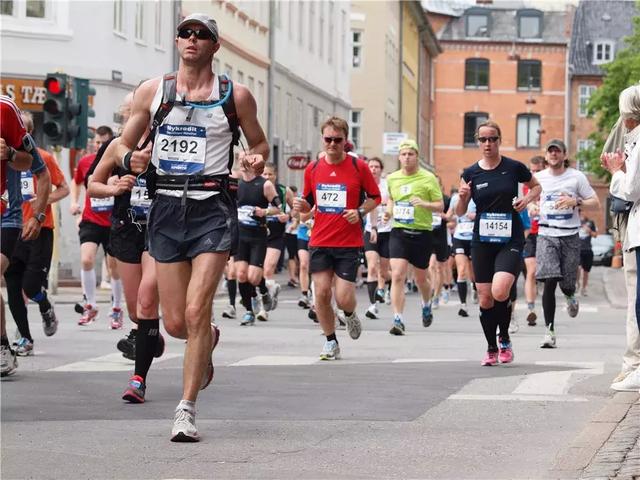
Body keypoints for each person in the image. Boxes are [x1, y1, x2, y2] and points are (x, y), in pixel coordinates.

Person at [104, 13, 268, 441]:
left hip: (212, 208)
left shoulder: (237, 95)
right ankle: (206, 338)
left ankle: (186, 409)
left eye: (202, 35)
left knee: (196, 310)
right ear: (177, 41)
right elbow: (123, 142)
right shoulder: (154, 91)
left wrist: (254, 160)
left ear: (216, 46)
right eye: (185, 33)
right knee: (176, 323)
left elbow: (260, 143)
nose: (192, 39)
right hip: (166, 210)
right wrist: (129, 159)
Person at [88, 92, 165, 402]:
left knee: (147, 301)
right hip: (126, 229)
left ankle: (138, 380)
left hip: (160, 231)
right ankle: (149, 334)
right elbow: (93, 184)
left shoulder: (165, 143)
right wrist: (114, 187)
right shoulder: (115, 146)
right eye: (134, 112)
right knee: (136, 311)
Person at [293, 116, 380, 359]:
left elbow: (375, 197)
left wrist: (360, 211)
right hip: (320, 239)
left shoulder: (358, 167)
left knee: (343, 298)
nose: (332, 144)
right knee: (320, 293)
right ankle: (331, 341)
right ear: (322, 139)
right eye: (328, 139)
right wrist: (302, 205)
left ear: (345, 141)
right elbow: (309, 200)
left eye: (337, 140)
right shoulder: (313, 168)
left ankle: (350, 316)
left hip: (348, 242)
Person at [456, 121, 540, 366]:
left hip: (509, 238)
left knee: (500, 290)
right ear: (478, 142)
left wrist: (526, 199)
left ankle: (504, 338)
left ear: (499, 140)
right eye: (483, 139)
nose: (487, 144)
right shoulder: (471, 173)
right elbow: (461, 211)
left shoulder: (514, 167)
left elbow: (536, 186)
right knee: (484, 298)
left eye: (492, 139)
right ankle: (492, 347)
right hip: (482, 240)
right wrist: (462, 198)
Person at [4, 112, 68, 356]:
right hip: (12, 229)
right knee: (12, 288)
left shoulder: (44, 158)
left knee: (30, 287)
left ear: (27, 134)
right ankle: (26, 339)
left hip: (41, 229)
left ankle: (44, 304)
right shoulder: (5, 160)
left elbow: (63, 188)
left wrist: (43, 202)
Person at [534, 139, 599, 348]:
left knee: (567, 282)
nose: (553, 154)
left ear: (564, 155)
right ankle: (549, 331)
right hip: (546, 233)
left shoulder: (576, 177)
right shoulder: (537, 178)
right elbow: (528, 201)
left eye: (557, 151)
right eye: (550, 151)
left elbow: (595, 202)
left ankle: (570, 295)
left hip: (570, 235)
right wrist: (530, 208)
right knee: (550, 280)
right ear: (545, 156)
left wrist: (576, 201)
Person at [383, 139, 443, 335]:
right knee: (398, 275)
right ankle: (398, 319)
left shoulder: (428, 178)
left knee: (421, 279)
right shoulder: (393, 178)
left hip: (422, 233)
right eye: (403, 154)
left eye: (411, 154)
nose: (407, 157)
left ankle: (426, 303)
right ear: (399, 157)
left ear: (417, 156)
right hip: (399, 231)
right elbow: (391, 198)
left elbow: (440, 205)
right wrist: (388, 212)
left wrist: (424, 204)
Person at [602, 84, 640, 392]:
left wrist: (617, 170)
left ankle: (635, 365)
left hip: (634, 221)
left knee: (637, 298)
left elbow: (630, 188)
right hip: (631, 221)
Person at [0, 95, 41, 377]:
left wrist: (10, 155)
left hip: (6, 214)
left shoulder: (6, 109)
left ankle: (3, 347)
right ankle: (3, 341)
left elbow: (32, 163)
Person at [71, 125, 124, 327]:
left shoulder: (117, 163)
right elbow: (77, 182)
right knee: (86, 259)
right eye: (97, 142)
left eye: (103, 143)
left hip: (112, 220)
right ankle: (90, 306)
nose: (99, 146)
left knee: (114, 268)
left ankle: (117, 308)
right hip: (91, 219)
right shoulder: (85, 162)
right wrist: (74, 202)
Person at [234, 158, 279, 325]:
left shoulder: (265, 185)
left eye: (243, 160)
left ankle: (264, 291)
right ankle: (248, 311)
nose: (240, 163)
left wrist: (264, 211)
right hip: (240, 235)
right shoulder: (236, 183)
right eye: (238, 160)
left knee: (253, 277)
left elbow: (278, 208)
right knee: (241, 274)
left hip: (257, 236)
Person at [259, 162, 293, 321]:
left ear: (275, 175)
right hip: (257, 233)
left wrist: (289, 216)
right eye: (264, 174)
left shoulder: (284, 191)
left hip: (276, 235)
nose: (267, 177)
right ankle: (270, 291)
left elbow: (296, 210)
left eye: (269, 174)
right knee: (257, 273)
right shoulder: (256, 189)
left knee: (268, 268)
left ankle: (262, 310)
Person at [363, 157, 391, 320]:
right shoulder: (364, 186)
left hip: (387, 231)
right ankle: (373, 305)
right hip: (370, 231)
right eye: (371, 166)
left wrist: (388, 210)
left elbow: (393, 202)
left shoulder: (387, 185)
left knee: (384, 270)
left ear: (381, 169)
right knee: (372, 267)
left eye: (376, 166)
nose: (373, 169)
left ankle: (384, 289)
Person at [523, 155, 544, 325]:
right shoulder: (525, 186)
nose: (534, 174)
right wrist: (530, 205)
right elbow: (526, 203)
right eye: (532, 170)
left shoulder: (549, 186)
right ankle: (531, 309)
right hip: (530, 234)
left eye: (538, 171)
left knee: (539, 273)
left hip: (547, 233)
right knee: (531, 271)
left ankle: (541, 285)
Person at [447, 192, 476, 317]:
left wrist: (475, 216)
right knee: (462, 270)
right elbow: (449, 214)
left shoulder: (479, 196)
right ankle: (463, 305)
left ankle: (475, 286)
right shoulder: (455, 198)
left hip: (475, 238)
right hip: (459, 238)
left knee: (474, 272)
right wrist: (443, 216)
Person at [577, 211, 597, 296]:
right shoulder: (575, 222)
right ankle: (577, 283)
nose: (582, 214)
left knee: (586, 271)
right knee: (577, 267)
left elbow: (595, 235)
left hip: (588, 250)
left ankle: (584, 288)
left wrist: (589, 230)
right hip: (577, 249)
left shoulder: (590, 222)